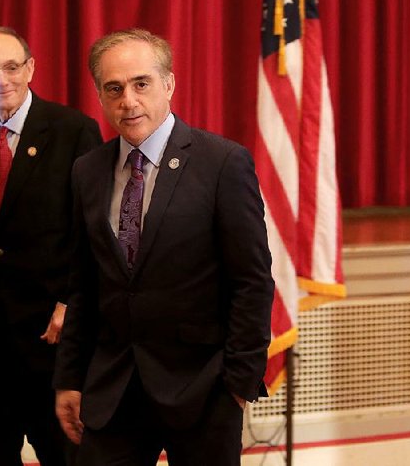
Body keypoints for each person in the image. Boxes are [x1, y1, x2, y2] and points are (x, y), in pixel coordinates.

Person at [53, 29, 274, 466]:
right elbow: (83, 284)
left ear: (169, 84)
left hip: (204, 390)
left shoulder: (222, 163)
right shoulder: (87, 171)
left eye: (141, 83)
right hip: (113, 388)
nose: (128, 101)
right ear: (99, 95)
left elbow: (251, 280)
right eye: (113, 89)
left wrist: (237, 383)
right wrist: (69, 378)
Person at [0, 27, 102, 466]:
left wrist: (72, 302)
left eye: (12, 66)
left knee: (66, 455)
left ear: (31, 68)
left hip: (53, 337)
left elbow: (93, 232)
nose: (1, 79)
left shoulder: (74, 131)